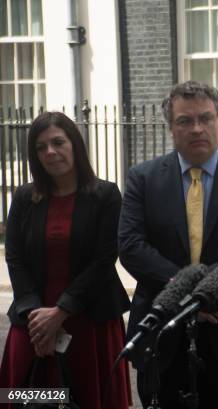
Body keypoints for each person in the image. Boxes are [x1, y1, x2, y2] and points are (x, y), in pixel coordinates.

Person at [118, 80, 218, 408]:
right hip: (161, 333)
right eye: (185, 121)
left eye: (206, 118)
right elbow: (131, 246)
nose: (197, 128)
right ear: (171, 128)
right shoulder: (142, 179)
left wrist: (210, 291)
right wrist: (189, 293)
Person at [0, 112, 132, 408]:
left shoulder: (106, 195)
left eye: (58, 142)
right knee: (22, 398)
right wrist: (38, 318)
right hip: (32, 321)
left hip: (90, 320)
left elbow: (104, 259)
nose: (50, 152)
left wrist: (59, 313)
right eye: (40, 147)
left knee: (86, 399)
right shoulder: (24, 197)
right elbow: (15, 258)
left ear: (74, 144)